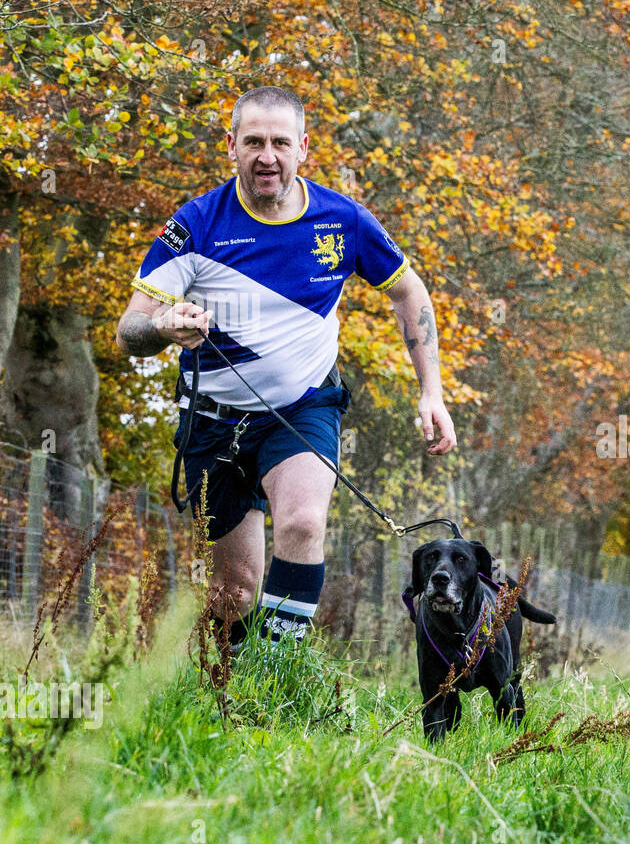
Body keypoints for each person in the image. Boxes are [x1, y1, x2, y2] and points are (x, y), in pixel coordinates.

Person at [115, 85, 457, 655]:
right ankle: (224, 703)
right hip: (213, 421)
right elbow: (128, 332)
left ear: (304, 148)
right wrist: (164, 327)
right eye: (253, 142)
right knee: (235, 592)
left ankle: (277, 677)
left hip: (302, 409)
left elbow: (408, 292)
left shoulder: (342, 220)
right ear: (231, 146)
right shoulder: (196, 224)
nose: (266, 156)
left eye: (279, 142)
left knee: (301, 522)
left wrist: (432, 392)